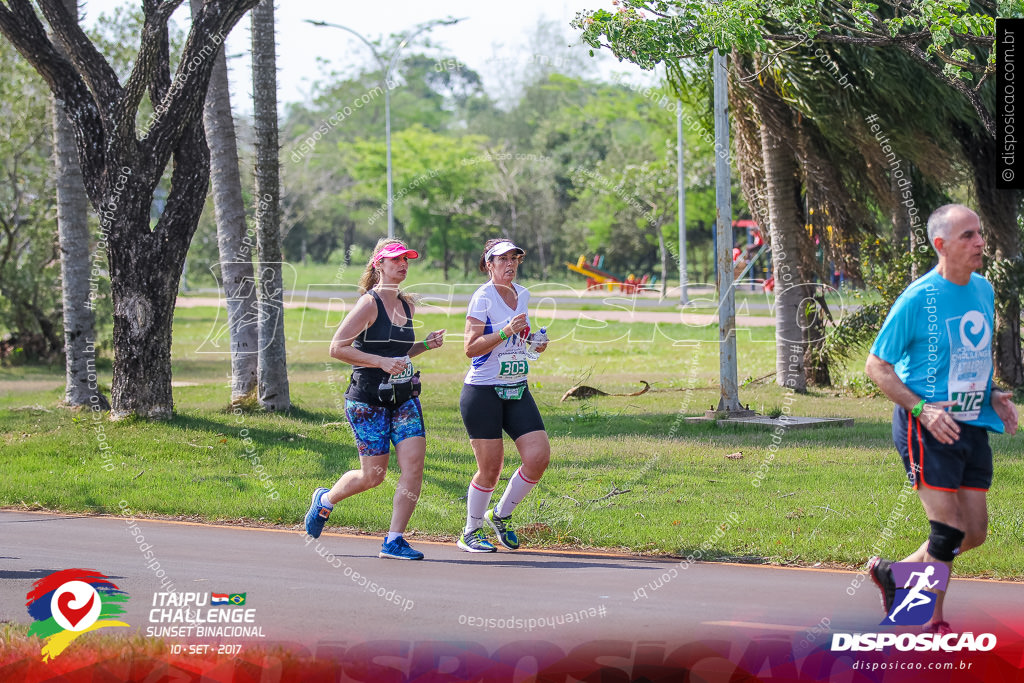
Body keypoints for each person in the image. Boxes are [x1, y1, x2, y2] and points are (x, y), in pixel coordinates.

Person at [864, 204, 1018, 633]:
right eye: (968, 235)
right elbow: (876, 366)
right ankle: (926, 622)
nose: (980, 242)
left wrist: (993, 394)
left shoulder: (983, 289)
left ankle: (894, 574)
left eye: (980, 234)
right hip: (927, 426)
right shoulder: (918, 298)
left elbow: (970, 355)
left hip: (972, 423)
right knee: (948, 530)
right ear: (941, 245)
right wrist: (922, 408)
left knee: (974, 533)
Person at [304, 239, 446, 561]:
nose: (402, 264)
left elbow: (397, 352)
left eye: (406, 259)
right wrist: (380, 363)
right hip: (367, 400)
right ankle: (325, 500)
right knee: (374, 476)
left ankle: (393, 540)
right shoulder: (369, 305)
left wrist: (424, 344)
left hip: (403, 397)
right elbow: (337, 348)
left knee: (414, 466)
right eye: (395, 259)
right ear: (378, 265)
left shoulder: (408, 305)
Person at [456, 239, 551, 552]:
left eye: (514, 258)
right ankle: (470, 531)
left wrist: (534, 343)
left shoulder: (522, 294)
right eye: (502, 259)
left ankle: (500, 515)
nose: (509, 264)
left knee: (538, 458)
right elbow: (470, 347)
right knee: (491, 468)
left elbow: (520, 338)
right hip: (482, 391)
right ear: (488, 265)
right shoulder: (482, 298)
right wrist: (506, 331)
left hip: (516, 386)